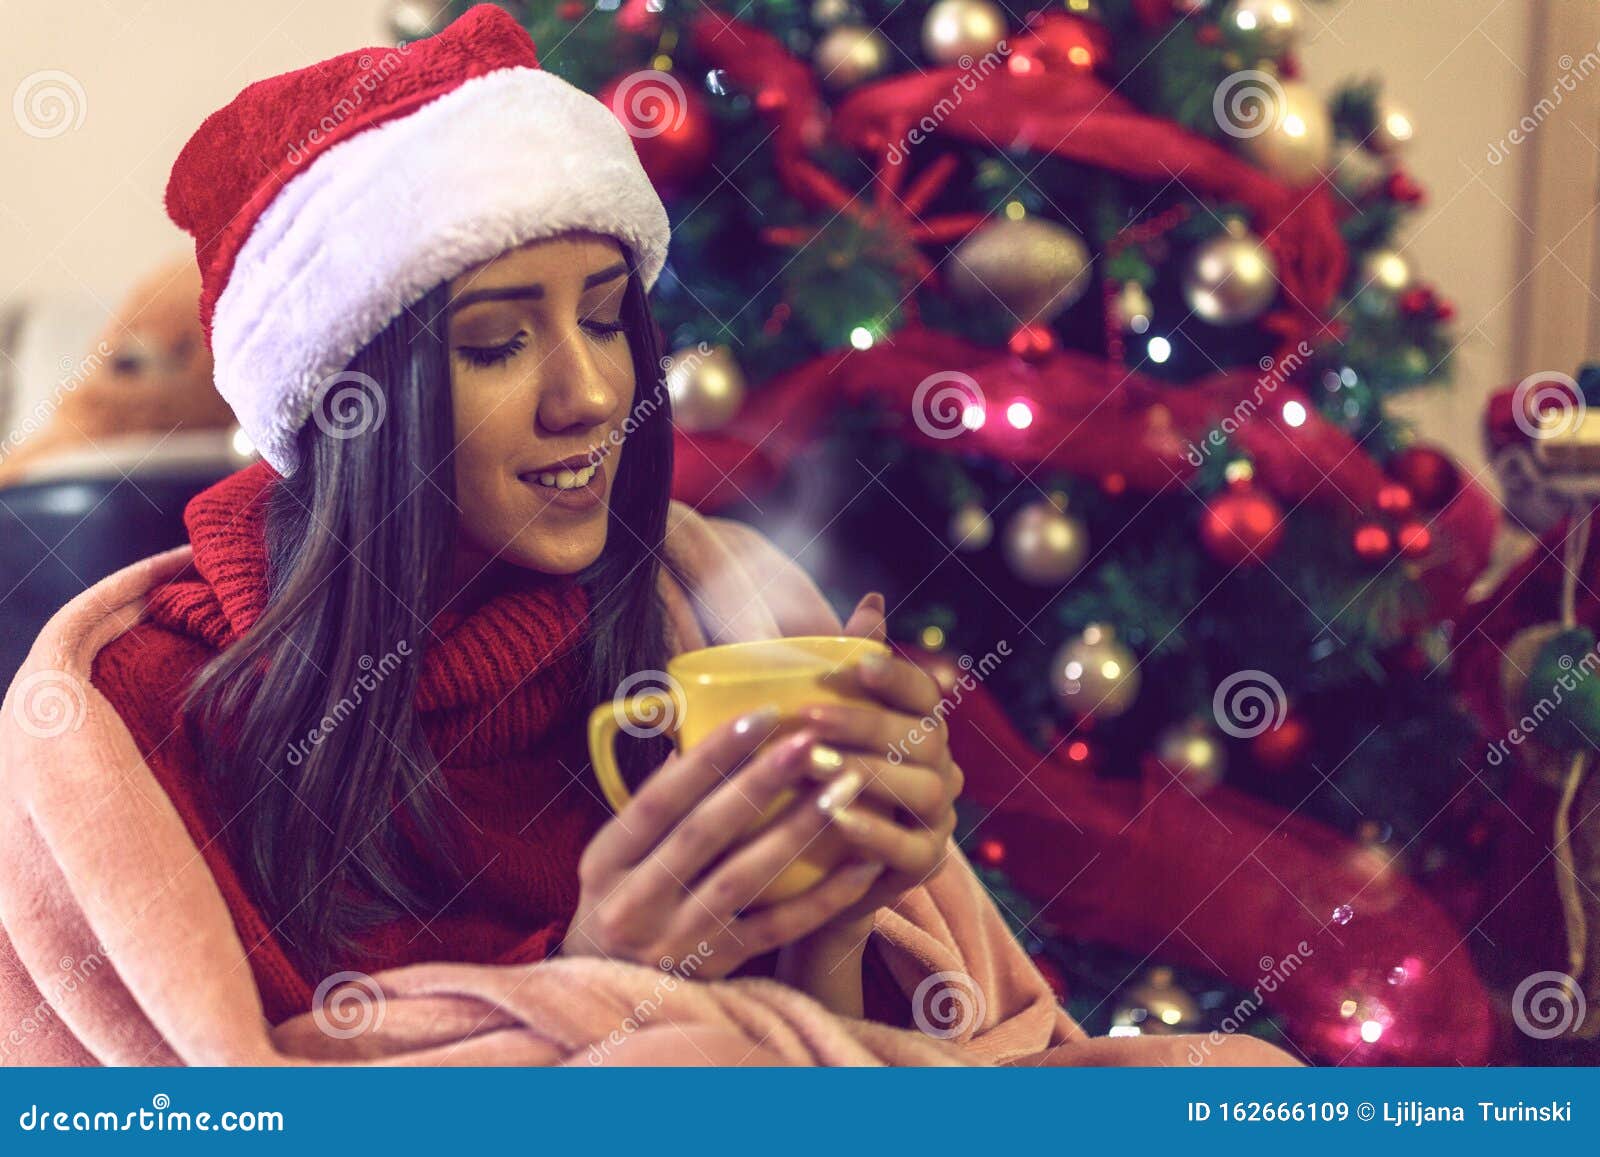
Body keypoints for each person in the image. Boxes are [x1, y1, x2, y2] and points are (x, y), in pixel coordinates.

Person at [0, 5, 1296, 1068]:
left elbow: (834, 1061)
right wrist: (606, 987)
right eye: (500, 340)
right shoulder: (140, 714)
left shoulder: (710, 600)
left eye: (609, 317)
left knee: (1238, 1086)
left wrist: (834, 919)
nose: (589, 394)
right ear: (354, 402)